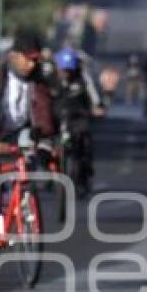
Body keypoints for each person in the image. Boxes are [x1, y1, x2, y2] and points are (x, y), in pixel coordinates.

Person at [0, 32, 56, 274]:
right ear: (14, 56)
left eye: (36, 60)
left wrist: (44, 138)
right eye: (28, 59)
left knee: (27, 168)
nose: (32, 64)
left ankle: (22, 210)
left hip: (17, 135)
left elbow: (44, 110)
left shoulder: (37, 81)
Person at [51, 47, 96, 197]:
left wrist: (97, 106)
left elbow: (93, 96)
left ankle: (84, 176)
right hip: (57, 119)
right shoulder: (51, 80)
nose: (66, 73)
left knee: (85, 144)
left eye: (69, 70)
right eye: (63, 70)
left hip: (78, 118)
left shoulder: (83, 79)